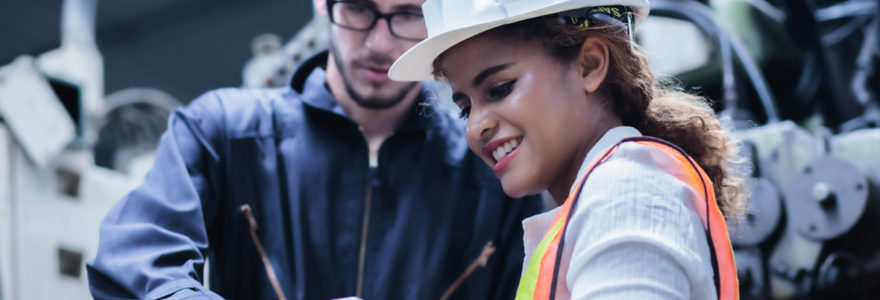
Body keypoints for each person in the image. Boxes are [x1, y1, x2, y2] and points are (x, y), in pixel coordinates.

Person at [86, 0, 543, 299]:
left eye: (408, 13)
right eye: (361, 8)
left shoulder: (490, 171)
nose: (380, 43)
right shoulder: (222, 131)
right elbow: (133, 266)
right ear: (323, 4)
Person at [389, 0, 748, 299]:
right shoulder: (611, 195)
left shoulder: (627, 196)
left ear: (589, 65)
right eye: (465, 106)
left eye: (500, 88)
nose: (474, 126)